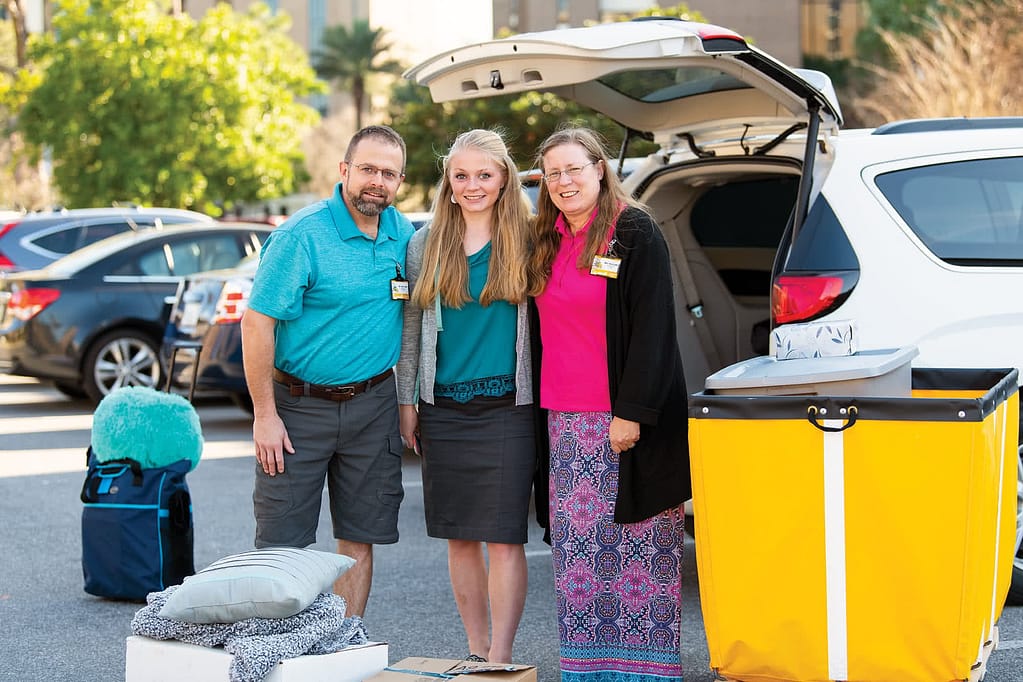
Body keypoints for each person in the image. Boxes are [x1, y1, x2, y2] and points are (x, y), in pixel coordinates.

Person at [528, 127, 691, 681]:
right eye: (553, 174)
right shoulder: (545, 238)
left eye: (574, 168)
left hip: (625, 424)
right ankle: (587, 671)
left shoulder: (633, 230)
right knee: (580, 562)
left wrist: (632, 413)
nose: (564, 182)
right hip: (566, 425)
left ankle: (644, 672)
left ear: (600, 168)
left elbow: (653, 329)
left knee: (639, 557)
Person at [241, 124, 415, 618]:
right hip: (297, 409)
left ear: (400, 180)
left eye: (388, 172)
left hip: (373, 407)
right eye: (367, 169)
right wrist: (264, 415)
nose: (376, 181)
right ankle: (279, 657)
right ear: (344, 170)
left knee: (360, 537)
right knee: (283, 543)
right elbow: (256, 325)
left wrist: (406, 403)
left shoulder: (404, 234)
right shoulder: (302, 235)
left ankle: (344, 647)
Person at [396, 129, 536, 663]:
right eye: (461, 176)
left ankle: (500, 658)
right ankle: (475, 651)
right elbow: (410, 329)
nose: (472, 185)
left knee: (503, 537)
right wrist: (407, 402)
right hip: (443, 408)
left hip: (508, 405)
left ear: (504, 179)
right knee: (460, 538)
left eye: (484, 174)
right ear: (448, 184)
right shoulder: (423, 244)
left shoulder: (529, 239)